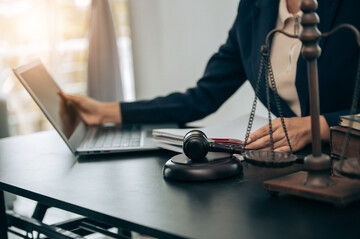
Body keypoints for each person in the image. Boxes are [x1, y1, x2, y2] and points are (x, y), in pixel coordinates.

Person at [60, 0, 360, 153]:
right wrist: (106, 112)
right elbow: (202, 97)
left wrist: (319, 126)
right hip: (292, 175)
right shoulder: (254, 9)